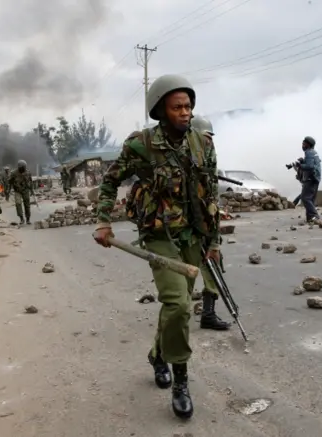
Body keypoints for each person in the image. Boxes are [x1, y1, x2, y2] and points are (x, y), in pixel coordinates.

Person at [95, 74, 221, 420]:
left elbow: (210, 195)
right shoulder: (142, 145)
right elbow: (110, 180)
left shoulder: (203, 144)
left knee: (174, 308)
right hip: (160, 235)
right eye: (178, 107)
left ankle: (157, 355)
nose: (186, 112)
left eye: (189, 106)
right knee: (179, 305)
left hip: (193, 236)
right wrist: (103, 220)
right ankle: (181, 381)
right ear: (161, 111)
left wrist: (215, 241)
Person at [190, 115, 231, 331]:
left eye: (210, 138)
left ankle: (208, 313)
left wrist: (214, 238)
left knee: (213, 262)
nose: (209, 142)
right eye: (204, 138)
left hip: (203, 220)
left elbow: (212, 196)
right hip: (181, 225)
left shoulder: (209, 157)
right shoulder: (180, 157)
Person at [297, 136, 321, 224]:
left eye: (304, 144)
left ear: (308, 144)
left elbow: (310, 167)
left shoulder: (309, 153)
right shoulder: (314, 152)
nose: (302, 145)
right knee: (310, 199)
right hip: (315, 178)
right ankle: (310, 218)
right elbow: (312, 164)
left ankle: (315, 216)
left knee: (305, 198)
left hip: (310, 178)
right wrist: (303, 161)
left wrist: (300, 166)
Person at [7, 160, 34, 225]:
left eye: (25, 167)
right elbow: (9, 182)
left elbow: (30, 182)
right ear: (19, 167)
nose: (24, 168)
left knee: (27, 204)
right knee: (18, 203)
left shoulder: (28, 172)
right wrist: (8, 190)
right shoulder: (13, 173)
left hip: (25, 190)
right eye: (23, 167)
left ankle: (28, 219)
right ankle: (21, 218)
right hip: (17, 191)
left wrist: (32, 191)